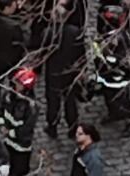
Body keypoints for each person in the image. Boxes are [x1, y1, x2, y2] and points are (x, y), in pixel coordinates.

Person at [39, 1, 86, 139]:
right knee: (70, 100)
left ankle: (52, 127)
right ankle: (72, 127)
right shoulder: (75, 32)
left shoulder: (47, 33)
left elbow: (41, 55)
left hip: (53, 72)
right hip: (70, 71)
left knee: (53, 101)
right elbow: (81, 54)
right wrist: (82, 70)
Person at [88, 5, 130, 135]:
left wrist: (110, 60)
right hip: (106, 73)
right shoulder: (106, 36)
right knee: (109, 96)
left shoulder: (121, 38)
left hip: (117, 76)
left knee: (122, 99)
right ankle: (113, 114)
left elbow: (123, 57)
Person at [0, 0, 29, 115]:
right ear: (8, 7)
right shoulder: (14, 26)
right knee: (14, 83)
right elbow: (22, 42)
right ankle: (12, 106)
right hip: (13, 59)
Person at [0, 68, 40, 176]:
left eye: (19, 84)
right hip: (8, 137)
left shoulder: (31, 106)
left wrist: (11, 132)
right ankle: (13, 173)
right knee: (11, 156)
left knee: (21, 161)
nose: (16, 85)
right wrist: (2, 125)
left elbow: (28, 127)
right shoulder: (8, 96)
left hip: (22, 141)